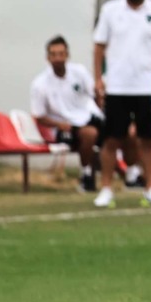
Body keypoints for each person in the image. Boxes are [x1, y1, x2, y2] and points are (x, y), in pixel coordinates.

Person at [92, 0, 151, 208]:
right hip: (117, 86)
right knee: (112, 140)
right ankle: (106, 188)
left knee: (148, 139)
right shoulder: (110, 11)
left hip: (146, 86)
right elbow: (99, 47)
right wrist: (98, 79)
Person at [30, 35, 104, 193]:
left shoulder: (79, 72)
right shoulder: (40, 84)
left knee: (120, 130)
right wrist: (59, 125)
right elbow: (39, 116)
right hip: (63, 128)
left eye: (61, 54)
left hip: (87, 118)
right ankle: (86, 175)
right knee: (90, 134)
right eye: (54, 54)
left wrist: (101, 97)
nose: (58, 58)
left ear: (67, 55)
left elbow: (95, 93)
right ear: (48, 58)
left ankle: (133, 175)